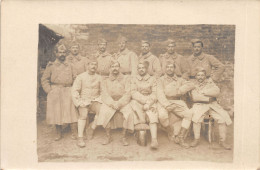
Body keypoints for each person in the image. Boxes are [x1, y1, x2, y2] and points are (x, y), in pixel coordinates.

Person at [41, 44, 78, 141]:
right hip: (55, 91)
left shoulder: (70, 65)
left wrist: (74, 90)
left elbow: (76, 78)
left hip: (68, 90)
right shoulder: (51, 66)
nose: (62, 54)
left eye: (64, 52)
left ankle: (74, 131)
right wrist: (50, 91)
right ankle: (58, 132)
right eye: (60, 52)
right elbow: (44, 80)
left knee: (71, 110)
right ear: (56, 53)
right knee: (57, 112)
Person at [190, 67, 232, 150]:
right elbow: (195, 98)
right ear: (196, 77)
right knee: (196, 119)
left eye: (202, 75)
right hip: (200, 106)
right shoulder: (193, 85)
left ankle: (222, 141)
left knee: (222, 119)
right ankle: (196, 139)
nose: (200, 77)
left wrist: (203, 93)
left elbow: (217, 92)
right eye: (198, 75)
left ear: (205, 76)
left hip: (212, 108)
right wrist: (209, 98)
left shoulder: (210, 83)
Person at [157, 61, 195, 148]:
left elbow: (191, 84)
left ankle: (181, 137)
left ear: (174, 69)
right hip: (164, 101)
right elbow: (159, 94)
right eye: (167, 67)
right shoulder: (160, 80)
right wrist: (167, 105)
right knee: (162, 116)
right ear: (165, 69)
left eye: (171, 67)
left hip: (177, 101)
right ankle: (169, 130)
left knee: (189, 114)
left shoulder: (179, 80)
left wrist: (179, 90)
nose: (169, 69)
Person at [96, 60, 135, 145]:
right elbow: (104, 94)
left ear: (119, 68)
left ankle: (123, 136)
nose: (115, 68)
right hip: (110, 102)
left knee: (129, 113)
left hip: (123, 102)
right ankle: (108, 136)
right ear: (110, 69)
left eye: (116, 66)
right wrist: (112, 103)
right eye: (112, 66)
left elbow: (128, 93)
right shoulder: (105, 80)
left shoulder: (126, 78)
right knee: (104, 112)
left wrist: (120, 103)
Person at [71, 58, 103, 148]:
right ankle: (80, 137)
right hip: (84, 101)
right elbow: (75, 91)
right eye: (92, 64)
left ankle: (91, 128)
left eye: (95, 64)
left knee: (102, 111)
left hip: (95, 100)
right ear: (87, 65)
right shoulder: (80, 77)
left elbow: (103, 92)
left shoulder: (99, 78)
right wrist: (79, 102)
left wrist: (99, 99)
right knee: (83, 115)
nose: (94, 66)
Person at [130, 61, 159, 149]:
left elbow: (155, 93)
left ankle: (154, 139)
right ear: (137, 70)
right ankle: (139, 131)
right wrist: (144, 101)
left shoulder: (152, 79)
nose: (141, 70)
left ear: (146, 69)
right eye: (139, 68)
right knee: (134, 108)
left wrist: (149, 103)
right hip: (137, 100)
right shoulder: (134, 79)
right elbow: (133, 92)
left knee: (153, 114)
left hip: (150, 100)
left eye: (143, 68)